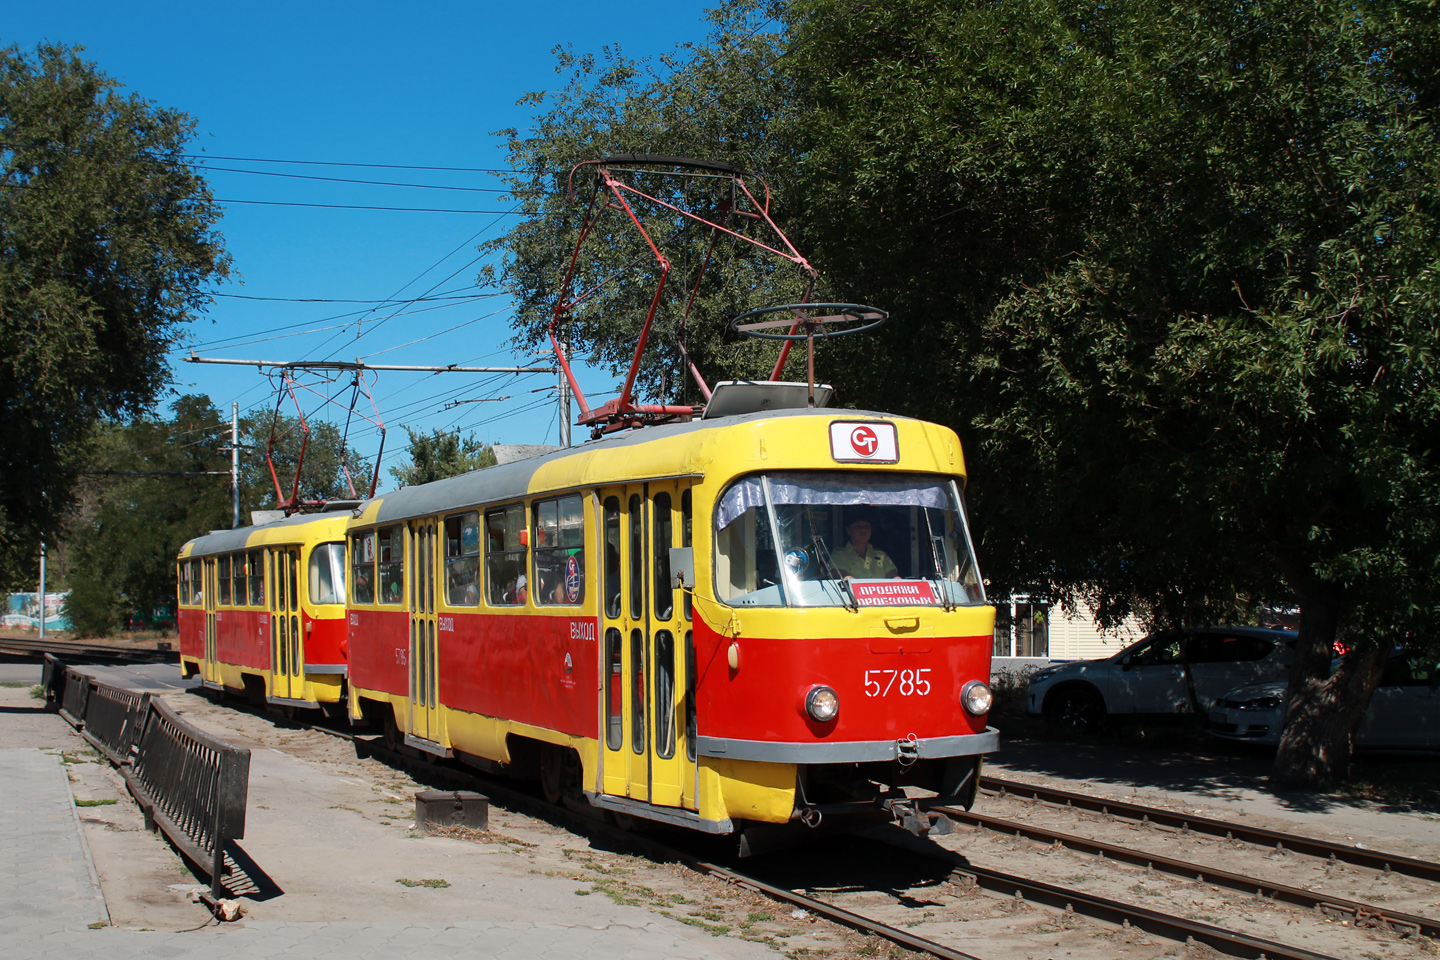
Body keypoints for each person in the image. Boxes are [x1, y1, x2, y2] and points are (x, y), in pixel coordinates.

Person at [829, 512, 899, 579]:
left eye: (866, 526)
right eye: (858, 526)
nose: (863, 529)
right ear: (848, 530)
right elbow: (844, 579)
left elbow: (894, 577)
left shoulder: (880, 555)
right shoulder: (839, 554)